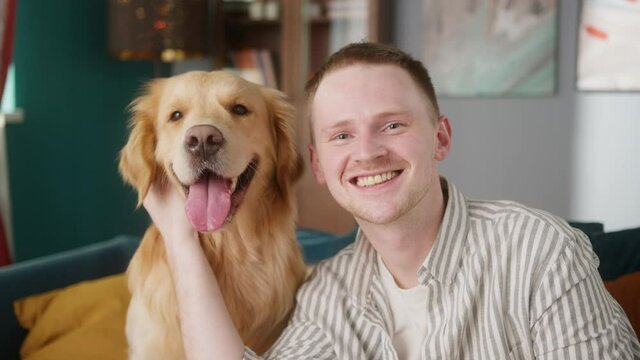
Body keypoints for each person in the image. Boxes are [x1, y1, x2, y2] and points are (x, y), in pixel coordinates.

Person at [144, 42, 640, 359]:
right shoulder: (328, 296)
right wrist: (181, 239)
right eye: (341, 136)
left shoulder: (540, 249)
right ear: (318, 166)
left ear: (441, 138)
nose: (367, 152)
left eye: (393, 125)